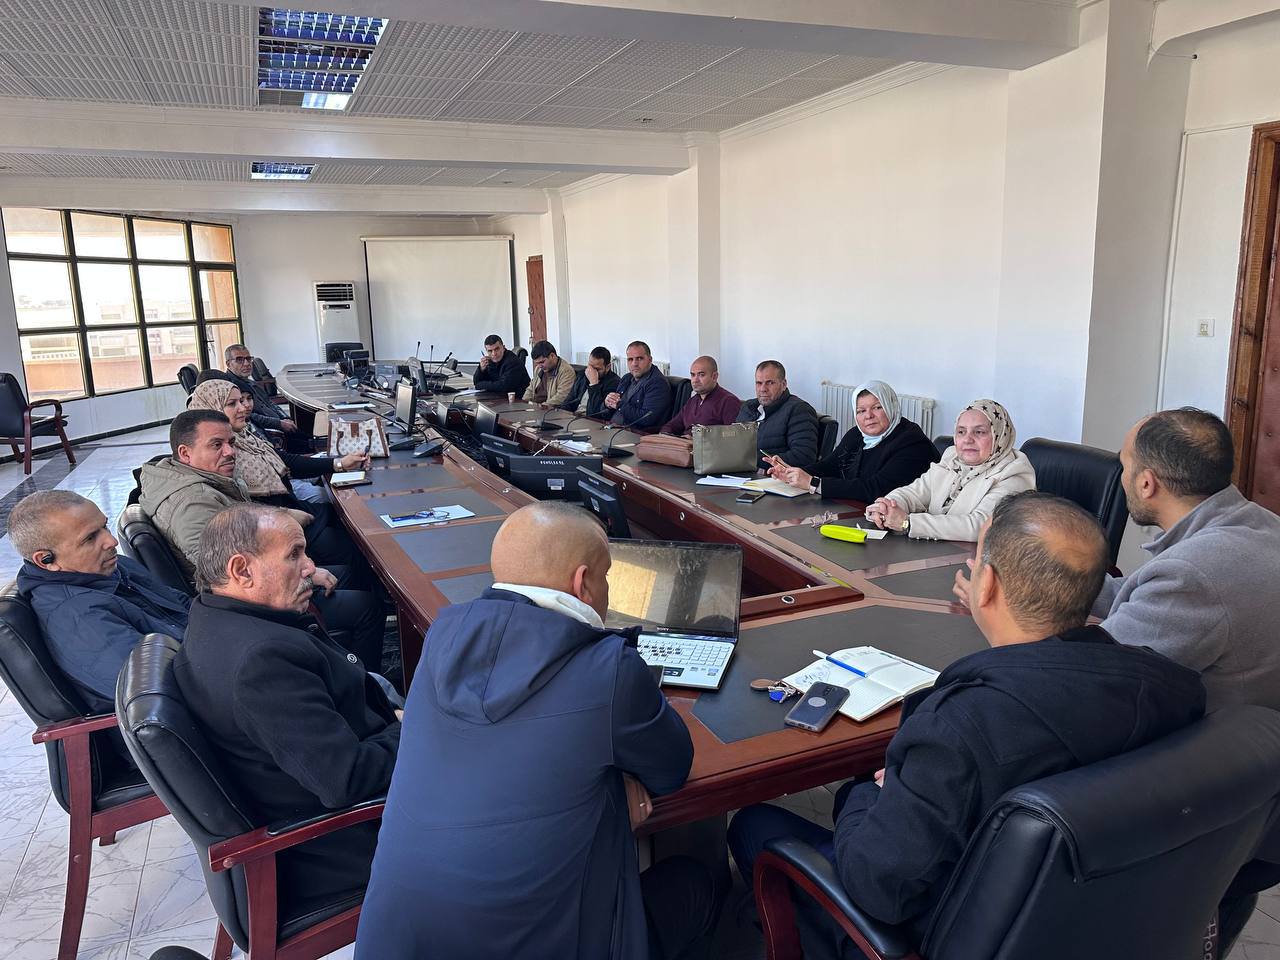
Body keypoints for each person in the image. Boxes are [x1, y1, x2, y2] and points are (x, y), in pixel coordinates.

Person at [728, 492, 1205, 955]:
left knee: (756, 823)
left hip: (935, 928)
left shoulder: (957, 727)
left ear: (986, 583)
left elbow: (878, 889)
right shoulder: (1171, 688)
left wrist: (869, 794)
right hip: (1085, 922)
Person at [355, 502, 720, 960]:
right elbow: (671, 768)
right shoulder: (608, 669)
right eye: (607, 576)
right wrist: (613, 786)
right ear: (582, 583)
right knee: (694, 883)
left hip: (401, 943)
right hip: (549, 943)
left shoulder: (440, 639)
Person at [174, 503, 400, 926]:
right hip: (344, 844)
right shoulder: (262, 661)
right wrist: (413, 728)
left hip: (317, 800)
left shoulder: (214, 616)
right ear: (242, 570)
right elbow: (348, 782)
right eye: (294, 554)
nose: (310, 567)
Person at [138, 410, 385, 666]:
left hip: (258, 582)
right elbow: (221, 575)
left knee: (350, 571)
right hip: (251, 606)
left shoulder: (199, 481)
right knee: (367, 607)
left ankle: (338, 656)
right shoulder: (192, 503)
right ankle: (361, 681)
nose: (230, 452)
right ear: (185, 453)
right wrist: (305, 576)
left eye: (231, 442)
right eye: (216, 445)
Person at [1090, 408, 1280, 711]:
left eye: (1124, 466)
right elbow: (1138, 595)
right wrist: (1052, 578)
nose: (1122, 477)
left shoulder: (1191, 573)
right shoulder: (1261, 522)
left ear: (1146, 484)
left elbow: (1095, 674)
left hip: (1215, 734)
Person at [11, 490, 190, 712]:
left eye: (104, 527)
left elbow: (180, 603)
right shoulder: (78, 617)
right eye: (90, 538)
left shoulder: (112, 568)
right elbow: (157, 688)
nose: (111, 541)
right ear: (46, 560)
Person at [865, 399, 1034, 541]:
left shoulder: (1014, 475)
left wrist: (908, 523)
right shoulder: (952, 459)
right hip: (939, 553)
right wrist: (887, 506)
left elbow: (979, 526)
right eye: (961, 432)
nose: (967, 439)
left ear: (1000, 435)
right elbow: (913, 493)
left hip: (977, 561)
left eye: (979, 432)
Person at [186, 378, 369, 501]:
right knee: (338, 501)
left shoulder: (244, 435)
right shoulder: (221, 453)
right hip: (285, 519)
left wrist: (340, 463)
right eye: (232, 403)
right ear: (213, 408)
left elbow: (283, 460)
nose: (243, 408)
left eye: (242, 401)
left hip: (290, 502)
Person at [766, 380, 938, 500]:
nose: (868, 416)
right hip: (857, 511)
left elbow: (876, 489)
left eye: (877, 407)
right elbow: (829, 466)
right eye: (861, 411)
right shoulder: (857, 434)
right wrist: (791, 472)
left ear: (891, 406)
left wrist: (813, 483)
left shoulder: (912, 444)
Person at [218, 345, 310, 453]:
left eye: (248, 359)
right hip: (268, 432)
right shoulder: (231, 388)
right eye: (239, 360)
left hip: (280, 425)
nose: (246, 363)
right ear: (229, 364)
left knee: (311, 435)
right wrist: (279, 423)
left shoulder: (250, 382)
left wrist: (285, 417)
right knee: (310, 442)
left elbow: (270, 403)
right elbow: (249, 417)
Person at [734, 360, 818, 470]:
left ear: (783, 384)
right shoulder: (748, 407)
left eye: (770, 383)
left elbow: (803, 456)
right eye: (759, 383)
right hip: (738, 472)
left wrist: (751, 460)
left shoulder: (799, 410)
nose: (763, 389)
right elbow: (734, 443)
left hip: (770, 476)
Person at [660, 355, 741, 435]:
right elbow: (671, 426)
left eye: (701, 375)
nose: (695, 380)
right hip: (683, 442)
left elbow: (732, 436)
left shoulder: (728, 402)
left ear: (714, 376)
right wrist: (664, 434)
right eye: (693, 375)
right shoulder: (692, 401)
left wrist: (697, 439)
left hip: (704, 443)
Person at [604, 340, 672, 429]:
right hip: (611, 427)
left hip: (633, 433)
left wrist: (619, 405)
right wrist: (607, 403)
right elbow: (610, 410)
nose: (634, 364)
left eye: (639, 358)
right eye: (630, 359)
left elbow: (647, 419)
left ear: (650, 360)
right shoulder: (627, 378)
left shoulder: (657, 383)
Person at [560, 345, 620, 419]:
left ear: (608, 367)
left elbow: (596, 413)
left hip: (591, 420)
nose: (591, 371)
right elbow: (569, 400)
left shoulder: (614, 383)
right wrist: (562, 416)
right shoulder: (582, 374)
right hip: (573, 417)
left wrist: (594, 384)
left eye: (597, 369)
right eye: (590, 366)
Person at [521, 339, 576, 406]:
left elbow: (561, 397)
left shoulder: (566, 371)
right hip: (536, 407)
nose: (539, 366)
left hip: (550, 409)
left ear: (552, 356)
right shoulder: (538, 369)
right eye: (537, 363)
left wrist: (541, 407)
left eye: (542, 362)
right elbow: (531, 389)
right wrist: (523, 403)